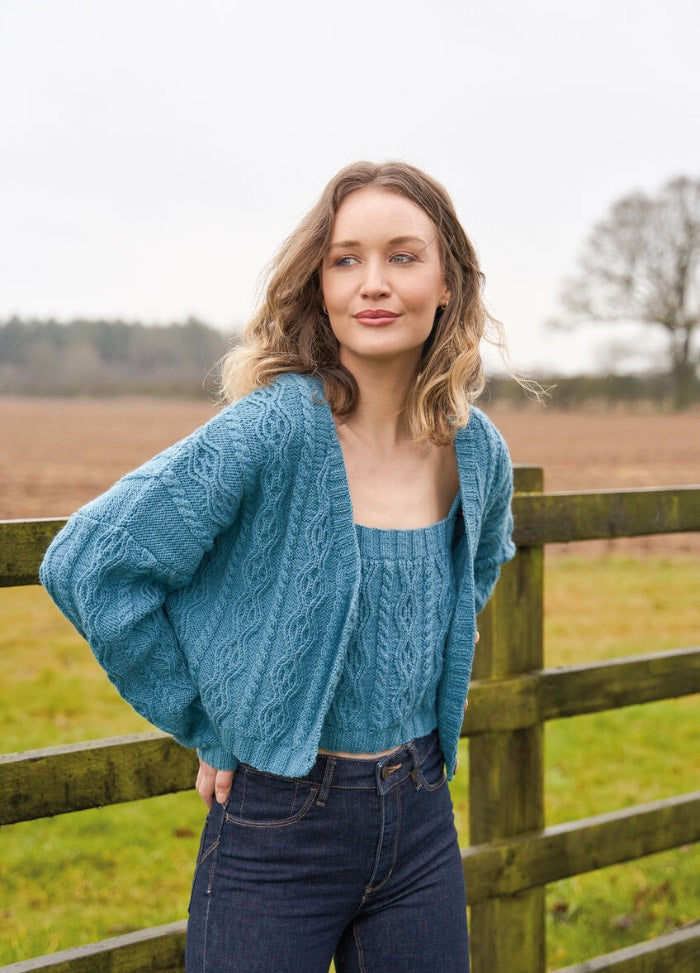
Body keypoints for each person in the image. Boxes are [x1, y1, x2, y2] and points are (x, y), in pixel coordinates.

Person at [40, 160, 517, 972]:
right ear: (319, 284)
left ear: (448, 286)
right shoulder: (271, 429)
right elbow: (94, 562)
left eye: (403, 256)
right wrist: (208, 721)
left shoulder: (476, 449)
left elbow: (476, 572)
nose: (373, 282)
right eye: (345, 258)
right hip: (278, 822)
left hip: (422, 818)